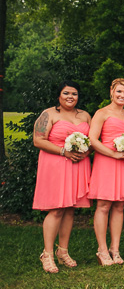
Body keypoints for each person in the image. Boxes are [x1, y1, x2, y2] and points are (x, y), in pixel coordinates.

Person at [32, 81, 92, 273]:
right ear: (59, 95)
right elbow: (38, 140)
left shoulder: (84, 115)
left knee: (70, 209)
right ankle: (47, 254)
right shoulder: (48, 114)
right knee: (57, 209)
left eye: (74, 94)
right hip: (55, 164)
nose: (70, 97)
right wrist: (62, 151)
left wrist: (86, 152)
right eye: (66, 93)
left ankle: (63, 251)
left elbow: (92, 140)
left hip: (78, 164)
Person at [88, 78, 124, 266]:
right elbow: (93, 139)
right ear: (112, 92)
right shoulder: (102, 113)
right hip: (106, 161)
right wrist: (113, 154)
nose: (122, 95)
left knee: (119, 206)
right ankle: (102, 250)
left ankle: (115, 249)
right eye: (119, 92)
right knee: (103, 205)